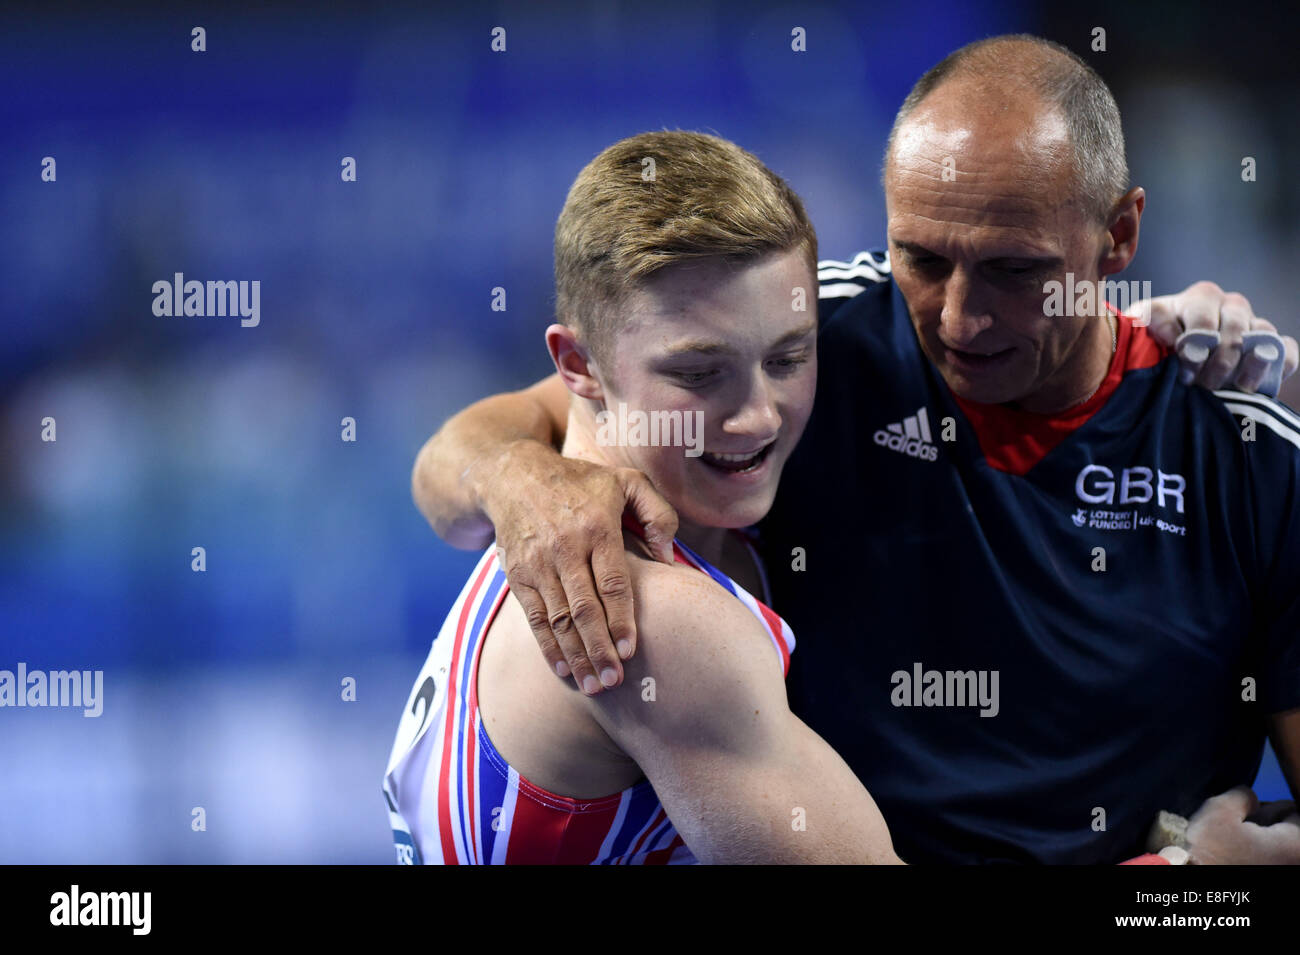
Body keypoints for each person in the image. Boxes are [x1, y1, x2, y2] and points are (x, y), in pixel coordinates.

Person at [411, 35, 1300, 864]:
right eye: (920, 258)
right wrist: (521, 483)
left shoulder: (1248, 457)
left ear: (1118, 239)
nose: (958, 318)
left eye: (1017, 270)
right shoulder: (804, 345)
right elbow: (468, 448)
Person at [384, 131, 902, 864]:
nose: (757, 415)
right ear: (579, 366)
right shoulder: (656, 622)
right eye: (699, 374)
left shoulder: (624, 456)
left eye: (788, 356)